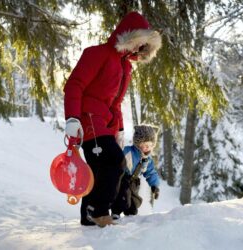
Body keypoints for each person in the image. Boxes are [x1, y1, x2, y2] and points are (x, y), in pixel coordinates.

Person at [63, 11, 162, 227]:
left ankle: (88, 217)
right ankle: (97, 210)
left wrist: (119, 131)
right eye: (137, 42)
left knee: (99, 170)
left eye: (143, 45)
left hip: (105, 124)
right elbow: (74, 85)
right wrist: (72, 118)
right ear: (128, 36)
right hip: (88, 119)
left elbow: (115, 104)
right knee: (115, 161)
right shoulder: (97, 54)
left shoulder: (125, 67)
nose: (138, 48)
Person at [111, 124, 160, 219]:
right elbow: (117, 159)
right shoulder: (128, 151)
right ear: (137, 143)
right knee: (123, 197)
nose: (146, 147)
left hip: (135, 182)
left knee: (134, 202)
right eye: (143, 144)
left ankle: (131, 215)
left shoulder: (148, 159)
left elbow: (151, 173)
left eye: (149, 145)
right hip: (123, 178)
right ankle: (115, 212)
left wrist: (154, 186)